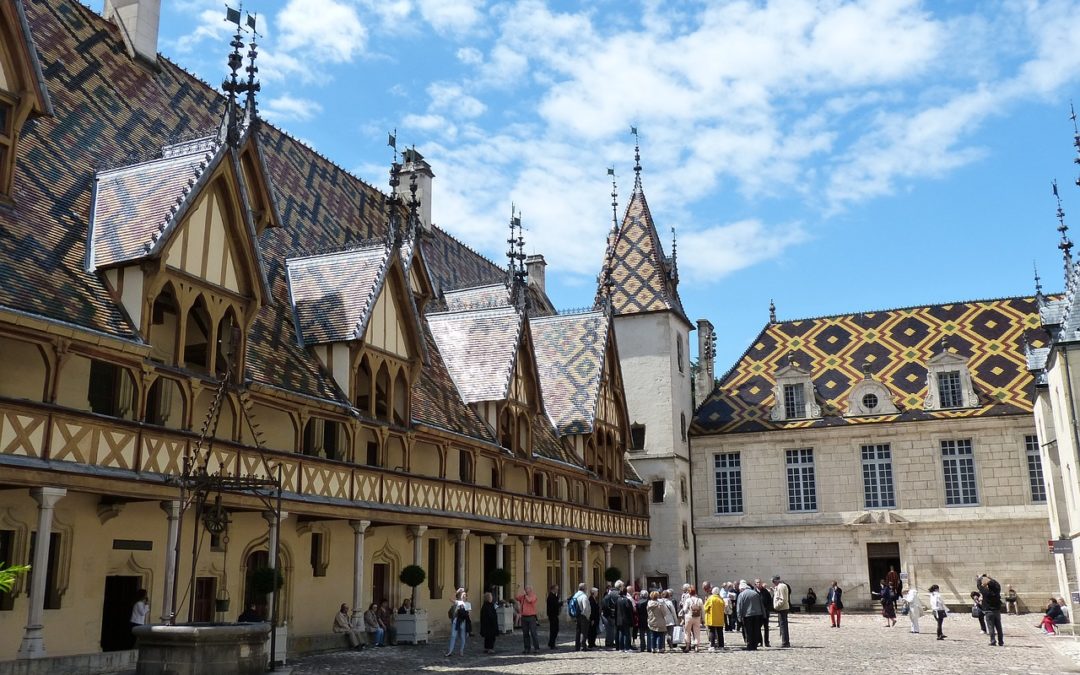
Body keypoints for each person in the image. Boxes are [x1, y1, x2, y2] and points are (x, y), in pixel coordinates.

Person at [736, 580, 765, 651]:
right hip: (757, 614)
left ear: (742, 589)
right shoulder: (755, 593)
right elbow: (761, 604)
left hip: (747, 615)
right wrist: (764, 614)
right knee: (756, 630)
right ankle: (755, 645)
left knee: (749, 631)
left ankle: (750, 645)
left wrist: (739, 617)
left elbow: (739, 607)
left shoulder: (741, 595)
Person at [514, 584, 540, 654]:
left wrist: (525, 595)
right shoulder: (522, 597)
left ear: (530, 590)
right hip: (524, 617)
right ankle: (527, 648)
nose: (525, 590)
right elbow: (516, 597)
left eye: (527, 589)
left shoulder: (533, 596)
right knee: (525, 634)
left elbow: (529, 600)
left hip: (531, 617)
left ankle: (536, 648)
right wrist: (517, 590)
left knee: (533, 633)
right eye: (525, 589)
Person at [979, 574, 1004, 646]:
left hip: (989, 611)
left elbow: (979, 586)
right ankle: (1001, 641)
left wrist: (980, 578)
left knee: (990, 627)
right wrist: (990, 578)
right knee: (999, 627)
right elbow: (997, 585)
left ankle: (993, 640)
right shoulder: (997, 591)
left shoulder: (986, 592)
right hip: (997, 610)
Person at [445, 589, 472, 656]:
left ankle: (461, 650)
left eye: (465, 595)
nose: (463, 596)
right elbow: (450, 599)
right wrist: (457, 591)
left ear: (466, 597)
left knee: (463, 637)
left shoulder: (468, 604)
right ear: (460, 596)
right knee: (453, 635)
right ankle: (450, 651)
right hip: (456, 621)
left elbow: (468, 614)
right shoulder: (458, 602)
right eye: (462, 595)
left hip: (463, 622)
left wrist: (462, 611)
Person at [681, 585, 704, 652]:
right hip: (697, 617)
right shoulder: (699, 600)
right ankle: (697, 647)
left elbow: (684, 609)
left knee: (687, 632)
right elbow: (702, 610)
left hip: (689, 617)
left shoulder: (688, 600)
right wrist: (703, 619)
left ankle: (687, 646)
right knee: (697, 632)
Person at [570, 583, 591, 652]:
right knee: (584, 631)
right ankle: (583, 646)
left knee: (578, 631)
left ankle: (577, 646)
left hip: (577, 615)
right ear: (584, 588)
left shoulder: (575, 595)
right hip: (583, 616)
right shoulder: (583, 596)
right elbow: (585, 608)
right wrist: (587, 616)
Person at [703, 586, 725, 651]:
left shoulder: (710, 599)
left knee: (712, 632)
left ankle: (712, 646)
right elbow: (724, 607)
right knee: (720, 632)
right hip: (720, 619)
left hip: (712, 618)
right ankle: (721, 646)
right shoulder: (721, 599)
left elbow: (705, 608)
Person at [772, 575, 791, 648]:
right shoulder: (779, 587)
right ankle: (785, 641)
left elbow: (782, 599)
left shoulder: (781, 586)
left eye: (773, 581)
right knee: (783, 625)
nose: (773, 583)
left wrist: (776, 606)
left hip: (782, 608)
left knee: (783, 626)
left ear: (776, 580)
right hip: (782, 608)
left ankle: (785, 642)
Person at [601, 582, 620, 649]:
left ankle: (610, 642)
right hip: (608, 615)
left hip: (608, 615)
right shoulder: (607, 597)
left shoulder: (607, 597)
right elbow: (605, 606)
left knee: (611, 630)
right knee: (610, 630)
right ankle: (609, 642)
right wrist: (611, 611)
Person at [615, 587, 634, 652]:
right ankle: (627, 647)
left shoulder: (618, 600)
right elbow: (630, 611)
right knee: (626, 633)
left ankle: (621, 648)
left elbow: (616, 610)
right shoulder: (627, 600)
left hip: (619, 619)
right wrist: (631, 620)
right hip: (626, 619)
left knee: (621, 633)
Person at [755, 579, 773, 646]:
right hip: (757, 613)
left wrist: (768, 609)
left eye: (759, 582)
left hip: (765, 612)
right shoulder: (754, 592)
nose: (758, 584)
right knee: (758, 628)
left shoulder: (765, 592)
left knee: (766, 628)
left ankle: (767, 642)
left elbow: (769, 601)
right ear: (755, 584)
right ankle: (759, 641)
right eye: (757, 583)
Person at [546, 585, 562, 649]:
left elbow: (556, 602)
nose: (557, 590)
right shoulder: (551, 596)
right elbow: (554, 605)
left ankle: (551, 643)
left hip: (554, 615)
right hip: (553, 615)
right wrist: (560, 604)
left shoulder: (553, 596)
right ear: (553, 589)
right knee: (554, 630)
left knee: (555, 629)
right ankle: (551, 644)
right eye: (556, 589)